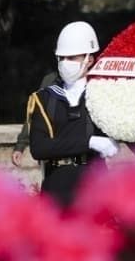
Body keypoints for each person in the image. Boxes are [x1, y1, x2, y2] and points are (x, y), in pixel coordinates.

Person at [28, 21, 119, 206]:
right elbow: (39, 148)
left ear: (90, 59)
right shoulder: (44, 98)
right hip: (56, 186)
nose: (65, 63)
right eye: (61, 58)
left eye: (72, 58)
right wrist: (89, 142)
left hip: (93, 185)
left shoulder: (104, 95)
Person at [11, 71, 59, 167]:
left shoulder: (91, 80)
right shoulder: (50, 80)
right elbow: (36, 113)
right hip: (51, 154)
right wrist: (20, 146)